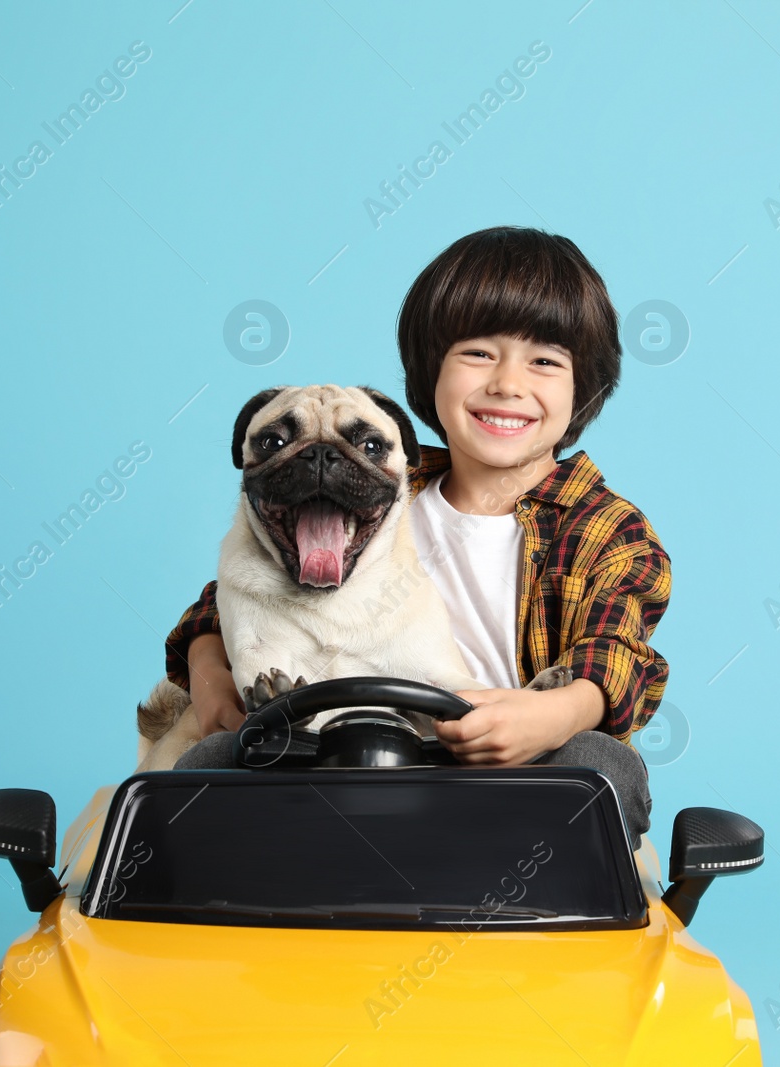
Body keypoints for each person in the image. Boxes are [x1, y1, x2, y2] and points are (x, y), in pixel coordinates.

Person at [164, 226, 670, 839]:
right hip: (330, 754)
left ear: (582, 386)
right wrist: (212, 678)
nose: (508, 383)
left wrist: (553, 715)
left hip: (511, 771)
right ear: (429, 372)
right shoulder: (380, 484)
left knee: (600, 767)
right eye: (479, 353)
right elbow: (227, 598)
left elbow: (617, 655)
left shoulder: (605, 528)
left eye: (544, 361)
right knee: (204, 767)